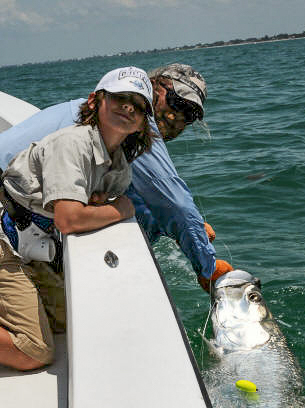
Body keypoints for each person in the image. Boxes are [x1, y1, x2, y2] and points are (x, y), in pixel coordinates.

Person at [0, 63, 232, 290]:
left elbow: (144, 196)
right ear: (151, 87)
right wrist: (207, 268)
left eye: (189, 113)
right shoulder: (128, 126)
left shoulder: (110, 126)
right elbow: (174, 203)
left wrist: (188, 231)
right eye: (175, 102)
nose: (176, 116)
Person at [0, 66, 156, 371]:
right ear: (95, 101)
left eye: (138, 105)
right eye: (120, 97)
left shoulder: (118, 163)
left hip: (29, 244)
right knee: (34, 350)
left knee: (67, 321)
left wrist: (97, 207)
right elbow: (69, 219)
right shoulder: (72, 143)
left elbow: (91, 205)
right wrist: (124, 209)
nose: (128, 107)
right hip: (5, 240)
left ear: (141, 123)